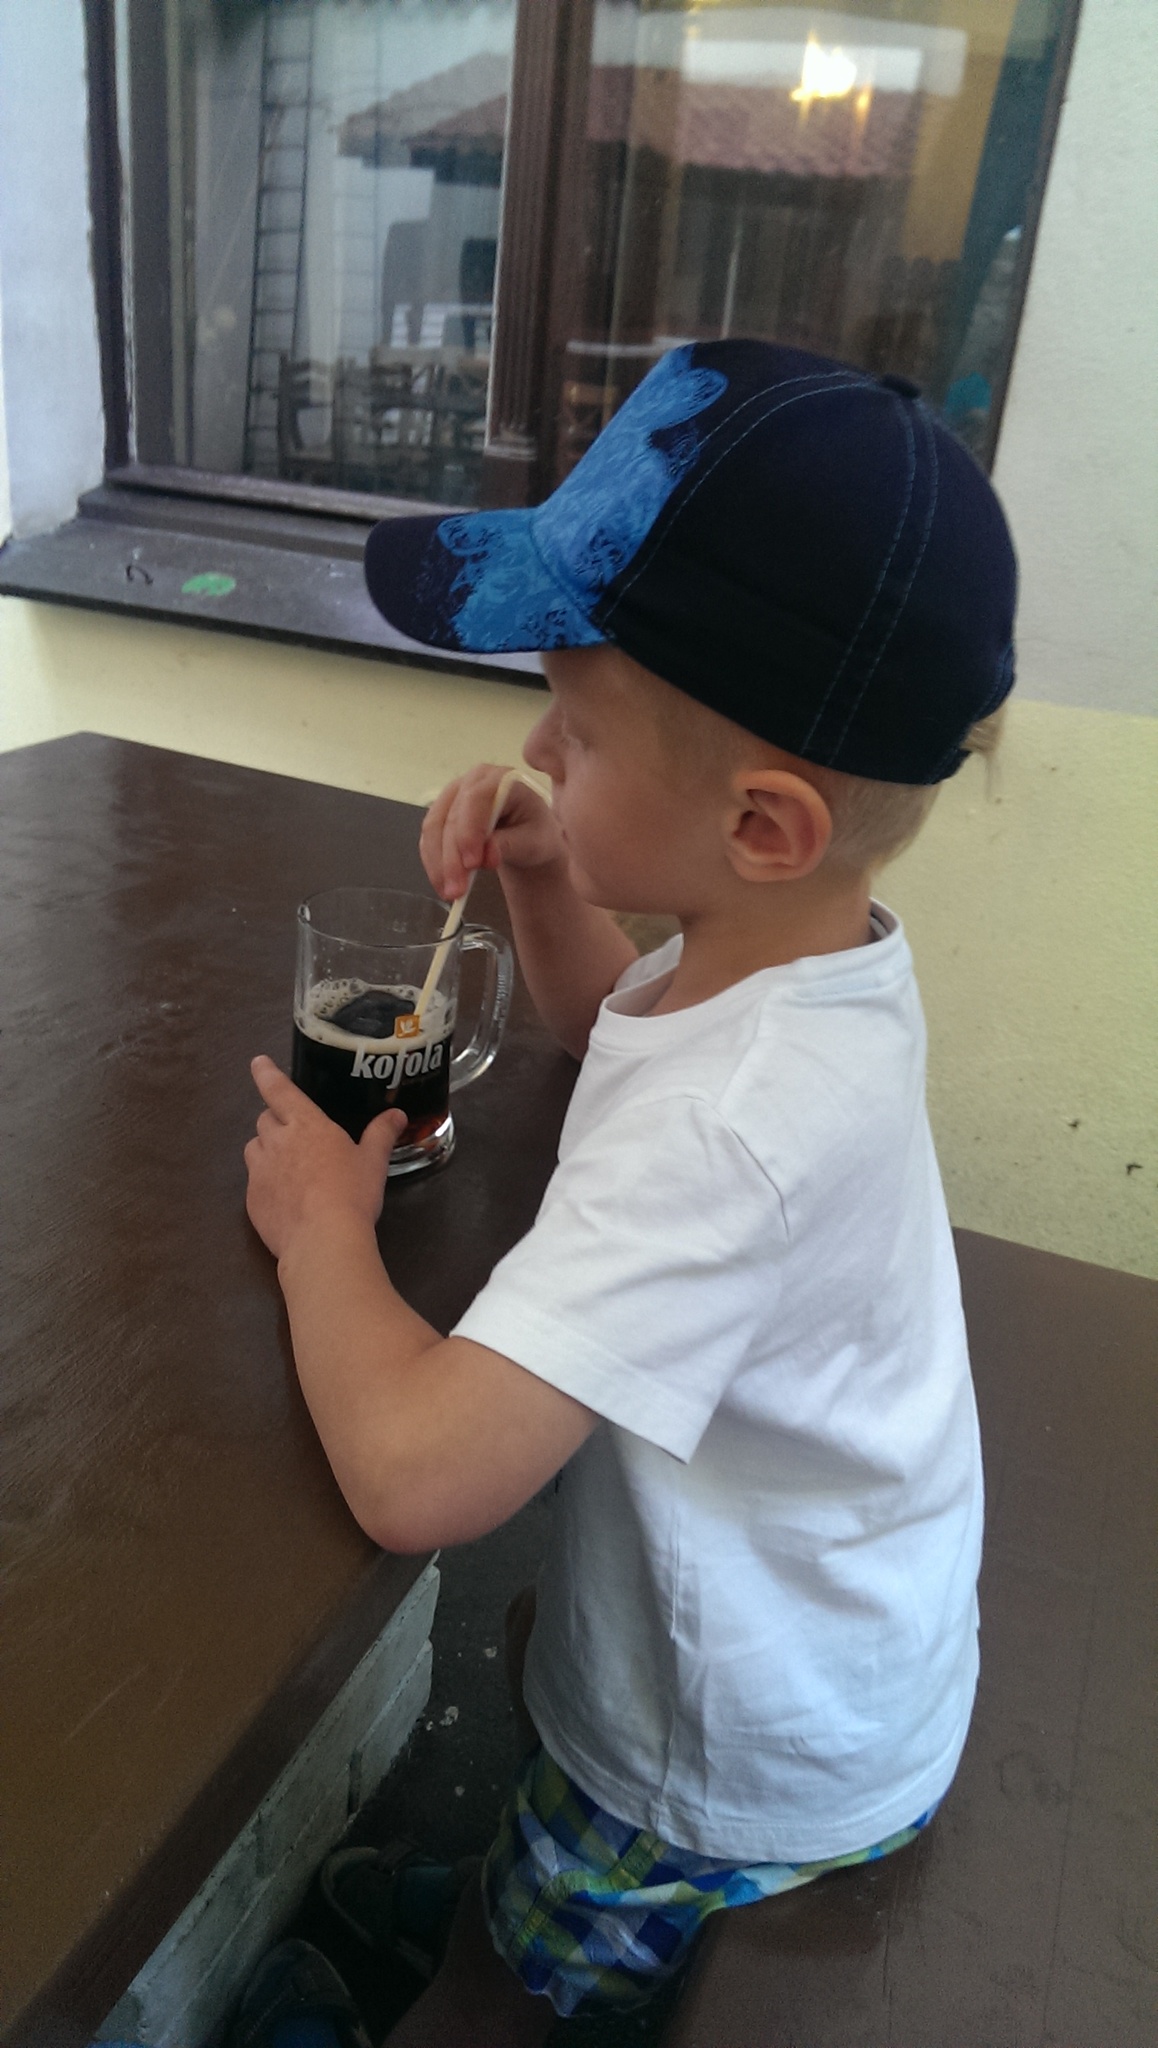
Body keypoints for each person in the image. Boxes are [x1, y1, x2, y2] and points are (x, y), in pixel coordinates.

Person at [242, 341, 1017, 2046]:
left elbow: (417, 1477)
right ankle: (511, 1889)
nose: (536, 747)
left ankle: (493, 1971)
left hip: (727, 1750)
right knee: (544, 1828)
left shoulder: (733, 1132)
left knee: (527, 1984)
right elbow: (622, 1033)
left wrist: (321, 1236)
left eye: (577, 734)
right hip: (832, 1630)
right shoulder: (795, 962)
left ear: (762, 825)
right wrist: (548, 868)